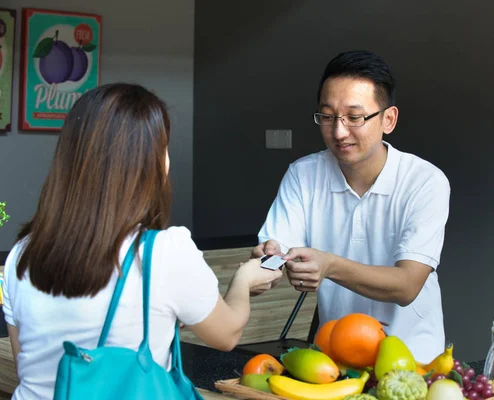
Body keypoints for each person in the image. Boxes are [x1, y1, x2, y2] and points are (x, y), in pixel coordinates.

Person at [2, 83, 282, 400]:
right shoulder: (164, 251)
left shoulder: (22, 253)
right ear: (151, 163)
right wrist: (243, 280)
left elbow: (30, 357)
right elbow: (227, 334)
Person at [252, 50, 450, 364]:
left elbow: (407, 285)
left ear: (388, 119)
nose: (339, 131)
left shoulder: (425, 182)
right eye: (327, 116)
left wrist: (329, 265)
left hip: (414, 360)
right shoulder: (304, 175)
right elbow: (276, 247)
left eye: (354, 118)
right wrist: (268, 258)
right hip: (333, 358)